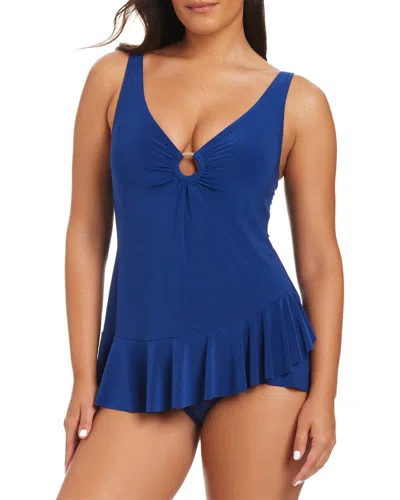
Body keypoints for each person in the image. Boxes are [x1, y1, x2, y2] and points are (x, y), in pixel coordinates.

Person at [57, 0, 343, 498]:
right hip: (143, 364)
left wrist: (325, 394)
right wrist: (84, 376)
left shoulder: (301, 102)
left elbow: (320, 259)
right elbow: (85, 232)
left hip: (263, 352)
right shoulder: (113, 78)